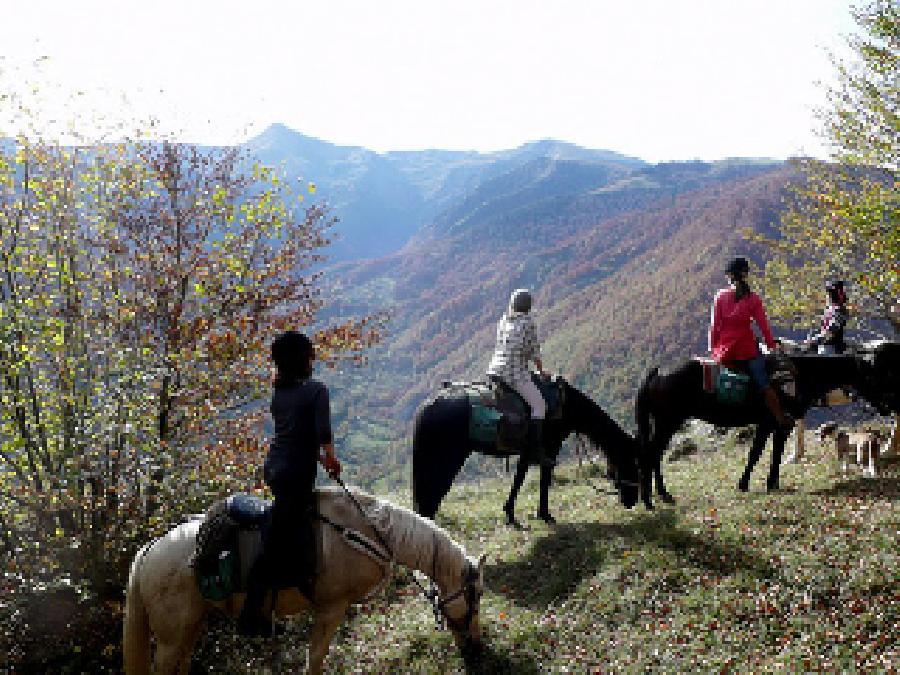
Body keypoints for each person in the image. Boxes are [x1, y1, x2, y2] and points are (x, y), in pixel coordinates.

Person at [238, 330, 341, 637]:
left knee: (288, 526)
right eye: (311, 354)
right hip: (295, 473)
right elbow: (323, 434)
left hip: (276, 467)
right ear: (302, 358)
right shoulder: (316, 390)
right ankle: (251, 615)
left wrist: (322, 461)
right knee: (277, 542)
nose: (314, 359)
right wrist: (331, 459)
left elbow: (297, 436)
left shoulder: (280, 391)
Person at [708, 257, 793, 430]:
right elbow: (764, 326)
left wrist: (713, 349)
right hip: (747, 348)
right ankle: (780, 418)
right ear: (745, 275)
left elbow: (715, 327)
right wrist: (771, 346)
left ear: (729, 276)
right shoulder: (753, 299)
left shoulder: (720, 296)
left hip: (725, 349)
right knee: (763, 383)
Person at [487, 288, 553, 467]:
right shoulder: (528, 322)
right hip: (514, 374)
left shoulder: (504, 320)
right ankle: (535, 452)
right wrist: (541, 371)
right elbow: (534, 352)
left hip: (495, 371)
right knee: (540, 406)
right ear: (528, 306)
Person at [805, 280, 849, 354]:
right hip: (823, 346)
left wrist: (814, 340)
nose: (828, 296)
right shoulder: (829, 309)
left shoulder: (839, 311)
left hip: (831, 348)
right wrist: (813, 335)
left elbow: (830, 333)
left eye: (831, 293)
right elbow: (823, 329)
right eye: (828, 293)